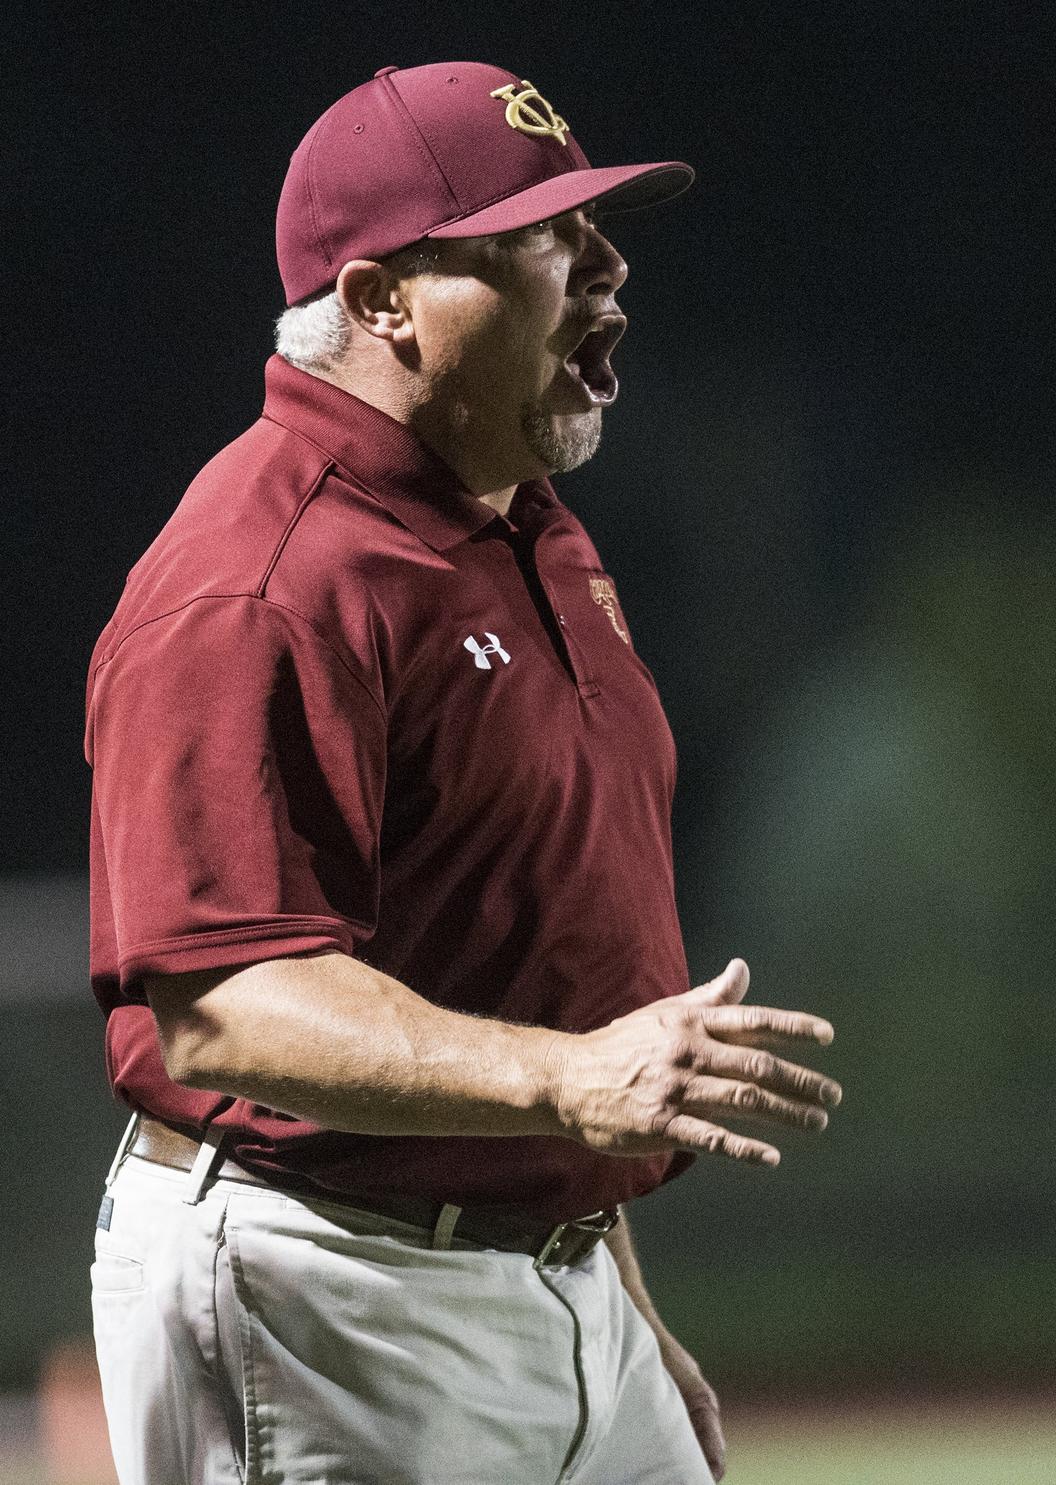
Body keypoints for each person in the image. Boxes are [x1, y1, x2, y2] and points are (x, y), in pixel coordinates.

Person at [85, 61, 842, 1485]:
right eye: (542, 236)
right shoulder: (261, 578)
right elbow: (218, 1002)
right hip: (328, 1288)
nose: (607, 270)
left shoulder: (522, 521)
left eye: (597, 228)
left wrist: (608, 1294)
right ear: (381, 305)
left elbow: (521, 953)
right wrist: (570, 1083)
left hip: (544, 1278)